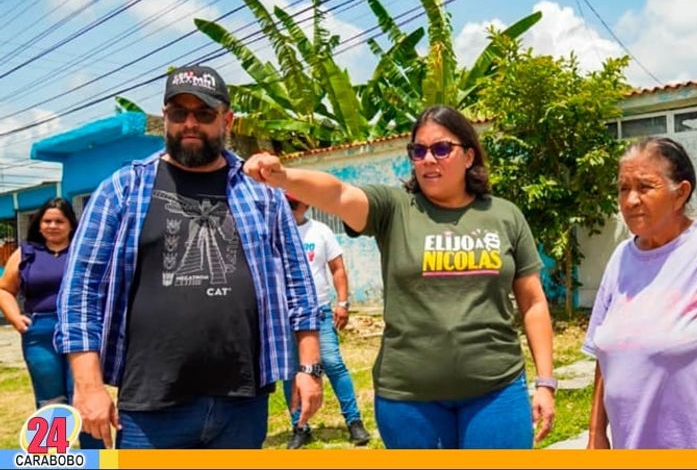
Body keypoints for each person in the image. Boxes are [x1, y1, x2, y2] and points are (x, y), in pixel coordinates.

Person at [243, 104, 557, 449]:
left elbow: (533, 302)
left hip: (496, 391)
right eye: (418, 151)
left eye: (441, 149)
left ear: (468, 156)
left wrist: (545, 381)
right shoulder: (394, 208)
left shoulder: (504, 215)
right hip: (410, 399)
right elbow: (337, 193)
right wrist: (283, 177)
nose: (428, 159)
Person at [54, 65, 323, 449]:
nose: (190, 124)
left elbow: (300, 284)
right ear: (165, 117)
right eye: (179, 113)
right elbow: (80, 291)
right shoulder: (122, 189)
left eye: (204, 114)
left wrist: (309, 368)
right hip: (151, 407)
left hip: (242, 403)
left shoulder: (261, 194)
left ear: (227, 120)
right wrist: (88, 385)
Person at [584, 137, 697, 449]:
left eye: (644, 187)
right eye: (623, 188)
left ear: (680, 194)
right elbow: (605, 356)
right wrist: (596, 434)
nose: (630, 200)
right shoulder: (620, 259)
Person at [0, 198, 102, 449]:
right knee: (50, 399)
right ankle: (50, 457)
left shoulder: (83, 250)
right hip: (40, 334)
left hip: (79, 331)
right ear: (39, 224)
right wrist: (15, 318)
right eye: (47, 221)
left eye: (59, 221)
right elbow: (4, 290)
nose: (53, 226)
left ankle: (95, 456)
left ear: (70, 224)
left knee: (83, 396)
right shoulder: (26, 252)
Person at [281, 193, 371, 448]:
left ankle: (354, 422)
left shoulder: (320, 231)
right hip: (287, 313)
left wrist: (342, 303)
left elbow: (337, 268)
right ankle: (300, 426)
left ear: (305, 204)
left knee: (332, 363)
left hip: (319, 310)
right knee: (292, 373)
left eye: (292, 203)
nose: (287, 208)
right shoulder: (274, 233)